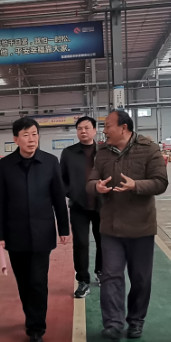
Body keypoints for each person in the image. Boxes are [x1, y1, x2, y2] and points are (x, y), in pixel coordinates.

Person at [87, 110, 168, 342]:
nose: (104, 130)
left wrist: (136, 185)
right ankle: (113, 324)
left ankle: (136, 321)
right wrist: (96, 187)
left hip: (141, 227)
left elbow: (161, 182)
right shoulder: (102, 152)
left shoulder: (149, 149)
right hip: (111, 227)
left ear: (123, 128)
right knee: (111, 276)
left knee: (140, 278)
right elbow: (91, 180)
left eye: (108, 125)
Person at [0, 117, 69, 342]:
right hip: (15, 234)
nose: (31, 139)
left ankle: (36, 328)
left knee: (38, 281)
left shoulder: (50, 162)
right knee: (24, 282)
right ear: (16, 139)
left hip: (42, 232)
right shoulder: (5, 166)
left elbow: (58, 197)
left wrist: (63, 228)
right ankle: (31, 315)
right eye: (26, 135)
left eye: (34, 134)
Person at [60, 116, 103, 298]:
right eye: (79, 129)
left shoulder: (104, 152)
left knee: (103, 242)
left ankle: (101, 272)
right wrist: (72, 193)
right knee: (81, 244)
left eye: (86, 128)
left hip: (102, 206)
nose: (83, 131)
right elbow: (62, 179)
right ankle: (83, 280)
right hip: (78, 206)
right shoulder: (69, 153)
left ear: (94, 130)